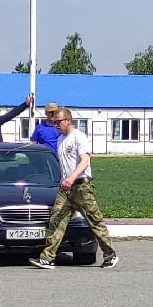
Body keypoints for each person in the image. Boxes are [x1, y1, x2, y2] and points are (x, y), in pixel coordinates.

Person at [31, 109, 117, 269]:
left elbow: (84, 161)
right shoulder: (61, 139)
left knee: (94, 220)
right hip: (66, 188)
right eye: (54, 122)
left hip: (80, 186)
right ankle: (47, 258)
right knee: (56, 220)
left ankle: (110, 255)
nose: (56, 125)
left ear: (68, 120)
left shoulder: (79, 137)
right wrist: (65, 180)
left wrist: (71, 178)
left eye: (59, 121)